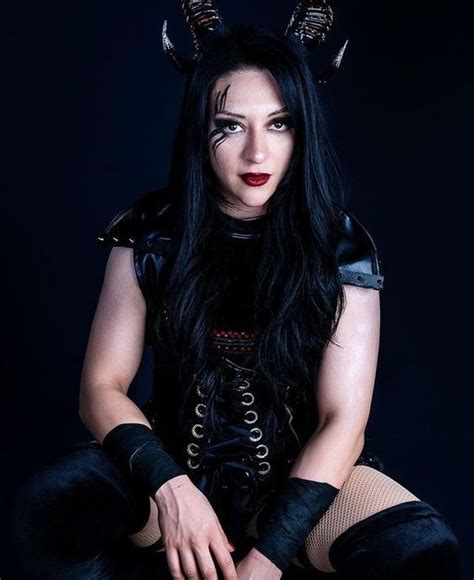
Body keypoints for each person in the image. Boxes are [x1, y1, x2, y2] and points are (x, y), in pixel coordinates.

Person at [11, 1, 461, 579]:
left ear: (302, 130)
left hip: (298, 482)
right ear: (200, 131)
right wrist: (172, 488)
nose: (257, 152)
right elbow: (100, 388)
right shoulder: (150, 234)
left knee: (422, 554)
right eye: (230, 125)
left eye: (279, 123)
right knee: (54, 510)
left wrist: (270, 555)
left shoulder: (342, 249)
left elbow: (342, 421)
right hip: (167, 470)